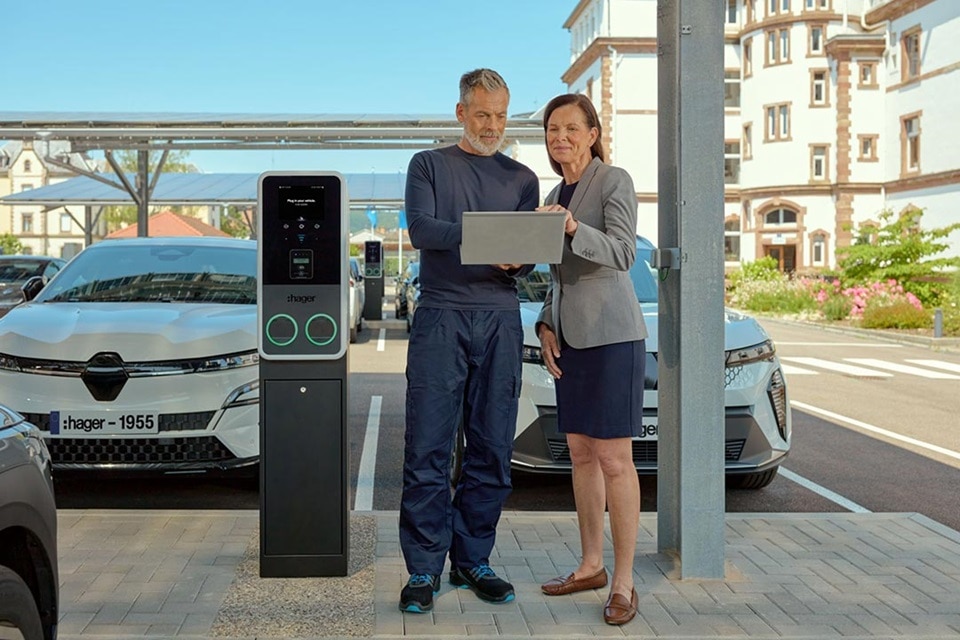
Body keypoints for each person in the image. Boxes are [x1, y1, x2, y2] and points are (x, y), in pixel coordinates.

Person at [397, 68, 539, 614]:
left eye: (501, 115)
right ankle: (423, 569)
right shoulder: (428, 165)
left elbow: (524, 252)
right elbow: (423, 231)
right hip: (442, 317)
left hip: (500, 316)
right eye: (482, 114)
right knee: (428, 447)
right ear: (460, 112)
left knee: (492, 445)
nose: (492, 125)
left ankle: (473, 559)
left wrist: (516, 249)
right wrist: (486, 236)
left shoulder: (522, 178)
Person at [534, 93, 647, 626]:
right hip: (571, 339)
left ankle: (624, 582)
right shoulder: (555, 192)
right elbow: (556, 275)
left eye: (571, 128)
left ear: (593, 132)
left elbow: (624, 252)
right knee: (579, 454)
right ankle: (590, 566)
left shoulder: (613, 181)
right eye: (553, 129)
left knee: (613, 459)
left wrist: (575, 229)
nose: (560, 138)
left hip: (613, 338)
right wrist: (544, 323)